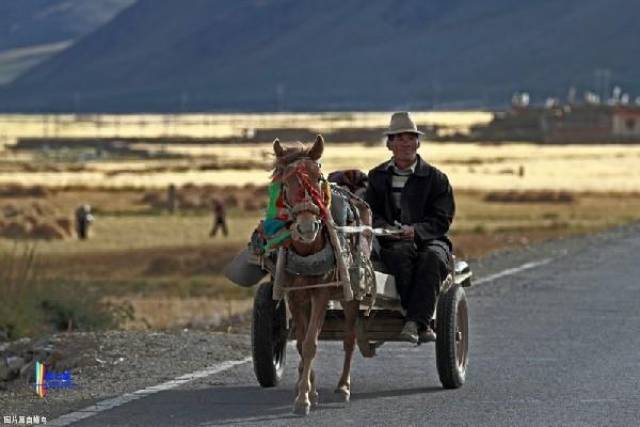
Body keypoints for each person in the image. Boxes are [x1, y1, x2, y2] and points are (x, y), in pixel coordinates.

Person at [364, 112, 455, 344]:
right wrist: (387, 229)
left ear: (418, 142)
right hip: (393, 240)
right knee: (400, 256)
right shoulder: (376, 177)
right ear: (389, 144)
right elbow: (369, 213)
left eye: (410, 138)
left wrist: (416, 231)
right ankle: (417, 320)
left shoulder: (436, 179)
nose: (405, 143)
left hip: (430, 239)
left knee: (432, 260)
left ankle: (415, 322)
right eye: (399, 138)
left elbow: (442, 219)